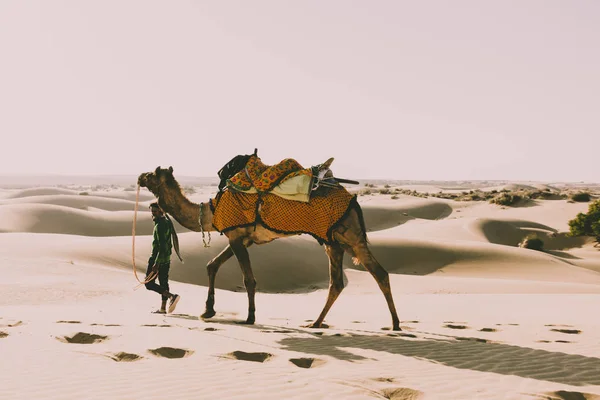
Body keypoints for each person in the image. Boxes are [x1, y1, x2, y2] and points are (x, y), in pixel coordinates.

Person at [145, 202, 181, 314]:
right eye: (152, 211)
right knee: (163, 283)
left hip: (158, 258)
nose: (153, 214)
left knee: (148, 283)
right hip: (166, 259)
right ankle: (163, 308)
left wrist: (156, 263)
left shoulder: (160, 225)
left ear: (161, 211)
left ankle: (171, 296)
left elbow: (162, 245)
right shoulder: (166, 222)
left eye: (155, 211)